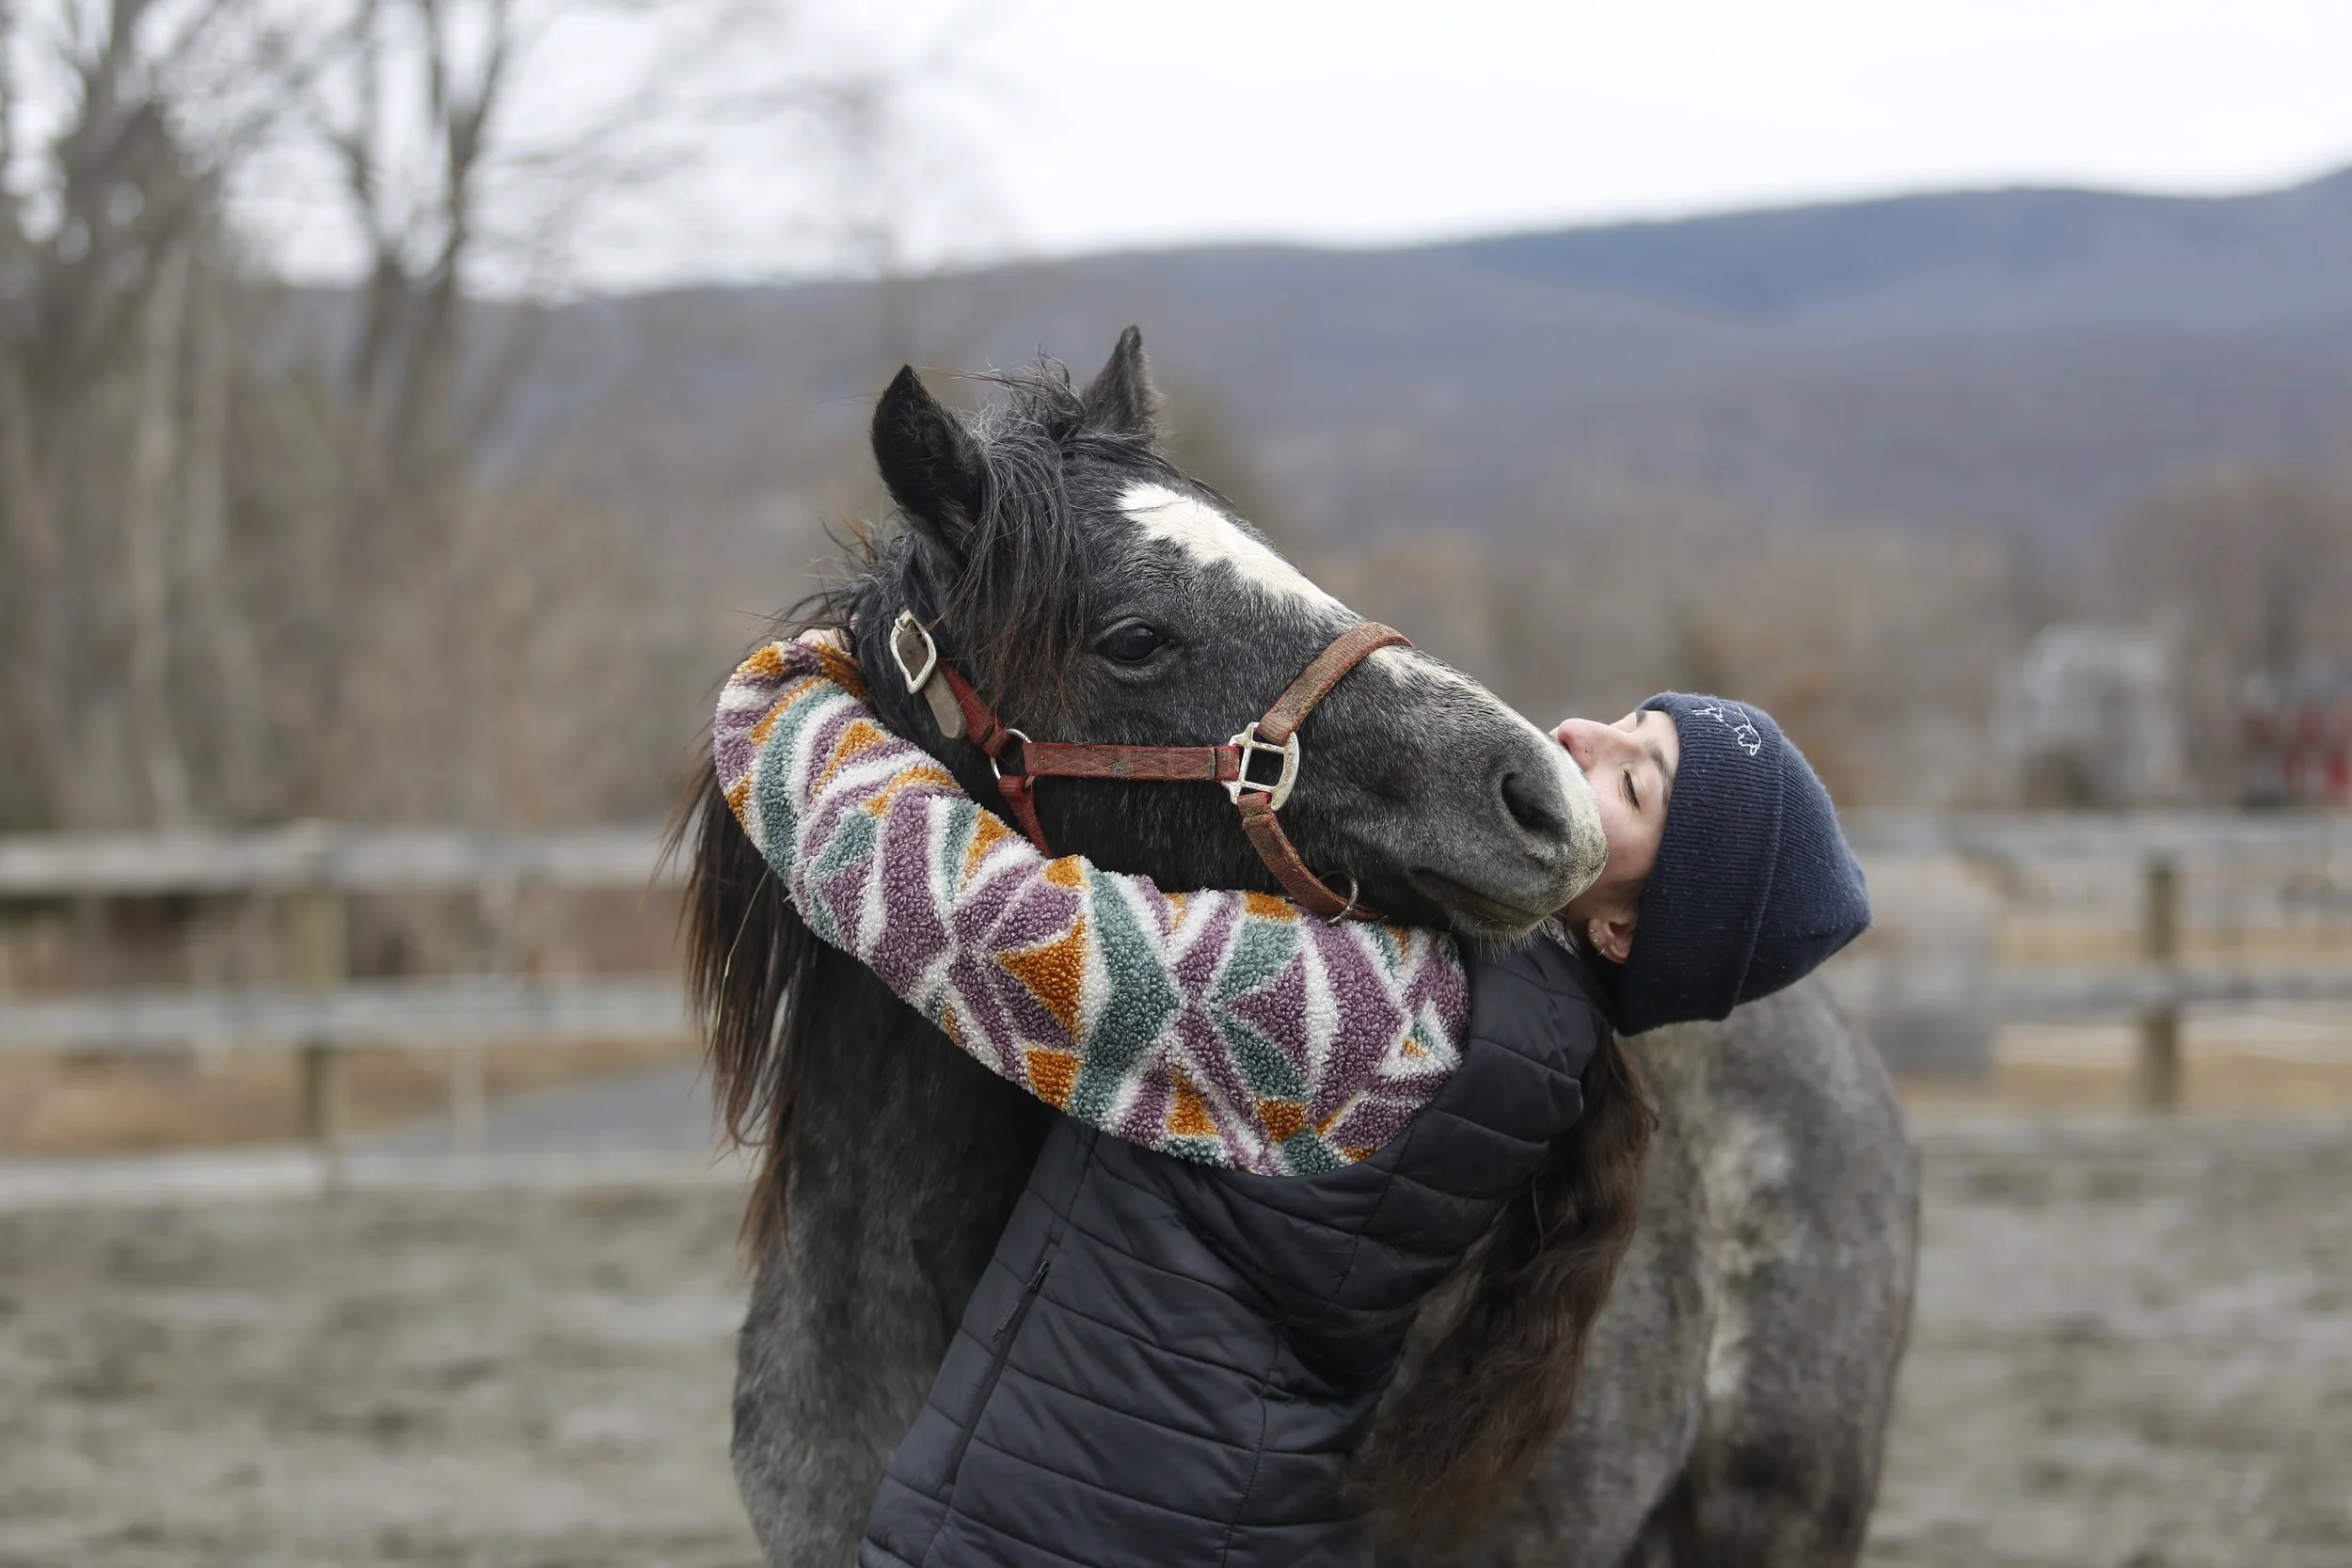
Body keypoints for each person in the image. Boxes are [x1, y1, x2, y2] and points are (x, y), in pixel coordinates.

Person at [711, 633, 1870, 1568]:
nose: (1574, 733)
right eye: (1622, 720)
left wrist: (779, 703)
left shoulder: (1391, 1011)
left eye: (1630, 776)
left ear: (1621, 930)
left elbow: (992, 930)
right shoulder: (1521, 1032)